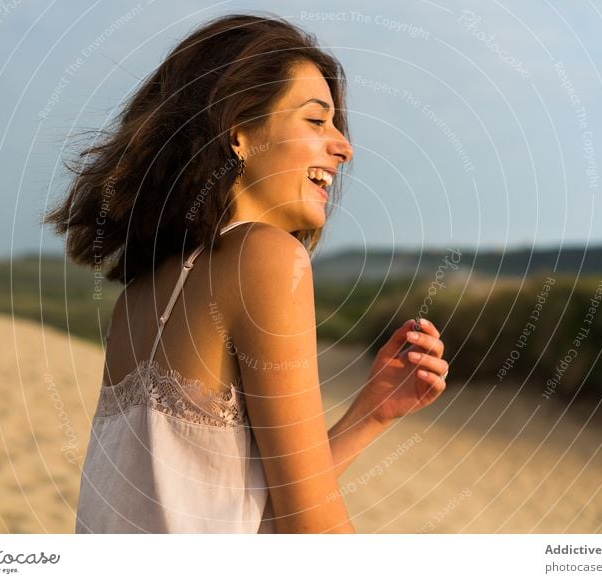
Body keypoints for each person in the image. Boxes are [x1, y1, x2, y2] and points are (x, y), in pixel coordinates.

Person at [42, 12, 449, 534]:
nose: (345, 146)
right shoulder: (267, 256)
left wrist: (369, 413)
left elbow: (238, 511)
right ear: (239, 133)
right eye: (316, 120)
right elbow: (308, 528)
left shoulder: (139, 299)